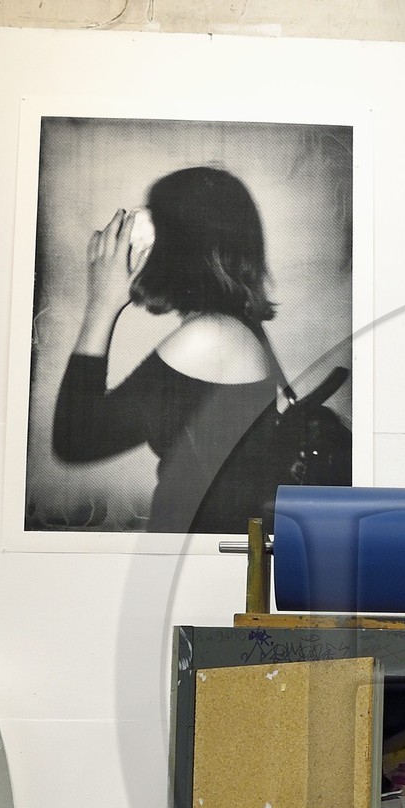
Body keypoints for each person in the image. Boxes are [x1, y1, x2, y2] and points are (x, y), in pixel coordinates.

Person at [52, 165, 314, 533]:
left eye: (155, 223)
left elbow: (76, 440)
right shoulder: (229, 329)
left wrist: (100, 304)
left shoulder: (212, 337)